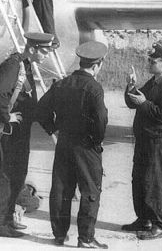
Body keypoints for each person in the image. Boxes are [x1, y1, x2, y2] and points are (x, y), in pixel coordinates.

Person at [36, 41, 109, 248]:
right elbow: (101, 119)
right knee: (90, 191)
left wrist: (53, 129)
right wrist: (96, 140)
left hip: (64, 143)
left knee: (61, 188)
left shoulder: (62, 83)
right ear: (97, 65)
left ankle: (59, 235)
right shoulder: (94, 88)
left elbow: (41, 110)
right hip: (86, 147)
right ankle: (85, 238)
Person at [0, 32, 54, 238]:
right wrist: (6, 116)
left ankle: (7, 218)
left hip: (20, 132)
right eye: (44, 51)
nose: (46, 55)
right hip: (10, 132)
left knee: (18, 175)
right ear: (33, 48)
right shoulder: (13, 64)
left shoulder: (25, 64)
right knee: (7, 175)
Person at [122, 43, 162, 240]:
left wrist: (144, 103)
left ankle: (158, 223)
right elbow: (134, 102)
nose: (149, 63)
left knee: (155, 182)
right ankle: (144, 219)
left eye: (152, 61)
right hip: (144, 140)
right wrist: (131, 86)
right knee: (139, 179)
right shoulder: (154, 82)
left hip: (157, 141)